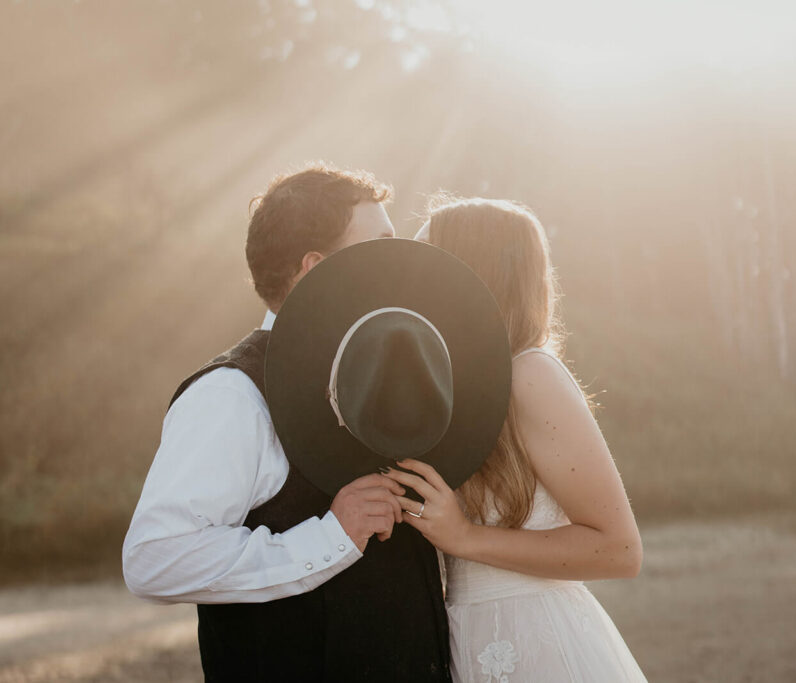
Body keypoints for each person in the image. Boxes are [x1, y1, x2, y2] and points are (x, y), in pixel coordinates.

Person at [122, 164, 453, 682]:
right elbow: (155, 559)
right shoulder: (231, 394)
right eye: (380, 247)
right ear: (315, 268)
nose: (402, 264)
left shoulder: (398, 377)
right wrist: (331, 537)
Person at [383, 197, 647, 682]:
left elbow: (619, 550)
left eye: (425, 263)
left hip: (537, 645)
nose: (407, 280)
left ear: (468, 272)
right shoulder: (450, 389)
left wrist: (465, 536)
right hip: (463, 636)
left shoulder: (531, 375)